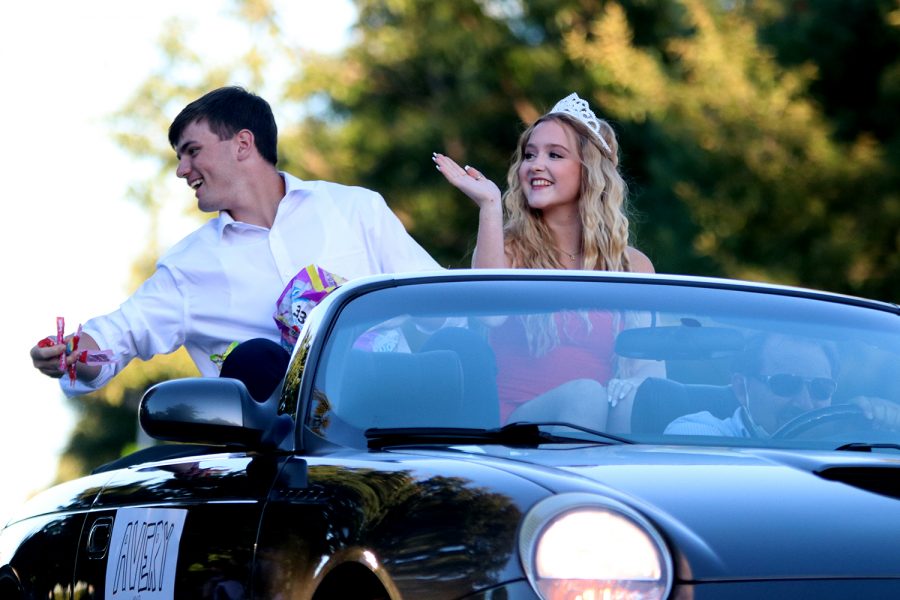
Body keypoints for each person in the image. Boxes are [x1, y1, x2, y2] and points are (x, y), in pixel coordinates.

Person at [31, 86, 440, 399]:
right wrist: (71, 355)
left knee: (458, 351)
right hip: (280, 462)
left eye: (191, 151)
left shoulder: (356, 210)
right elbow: (118, 337)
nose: (181, 170)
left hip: (396, 421)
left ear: (243, 144)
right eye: (179, 157)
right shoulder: (189, 267)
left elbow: (442, 306)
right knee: (256, 359)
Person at [433, 92, 660, 432]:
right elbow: (489, 314)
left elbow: (653, 368)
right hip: (515, 427)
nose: (535, 165)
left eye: (555, 154)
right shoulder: (510, 249)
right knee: (586, 395)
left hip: (599, 421)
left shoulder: (632, 265)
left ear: (589, 171)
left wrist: (635, 386)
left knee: (636, 400)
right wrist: (490, 206)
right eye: (529, 155)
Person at [664, 333, 900, 437]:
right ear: (740, 388)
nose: (806, 403)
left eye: (821, 388)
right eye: (786, 384)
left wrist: (871, 428)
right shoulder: (698, 433)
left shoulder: (846, 444)